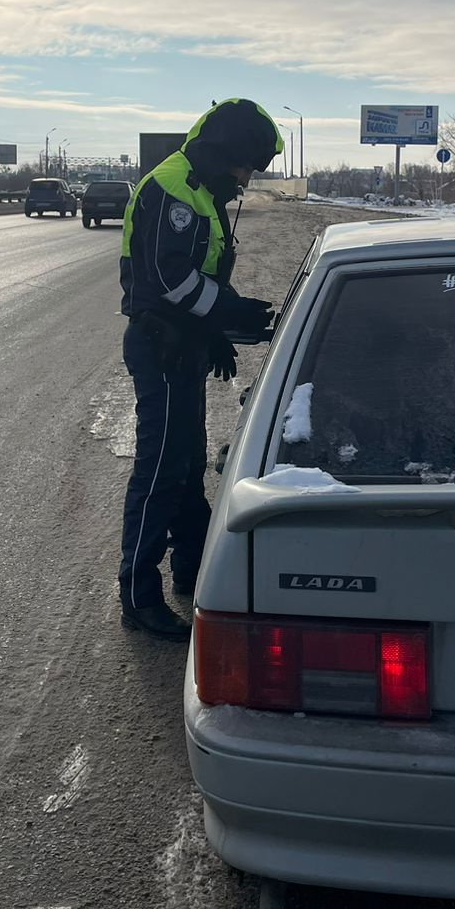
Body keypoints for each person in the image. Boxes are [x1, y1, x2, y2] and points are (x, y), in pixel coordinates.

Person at [116, 98, 284, 639]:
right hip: (161, 349)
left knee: (186, 470)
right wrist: (229, 314)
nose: (246, 177)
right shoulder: (175, 191)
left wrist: (215, 332)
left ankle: (190, 570)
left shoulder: (203, 190)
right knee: (161, 471)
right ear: (225, 152)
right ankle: (138, 595)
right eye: (246, 164)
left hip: (183, 346)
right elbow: (171, 283)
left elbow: (198, 275)